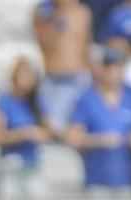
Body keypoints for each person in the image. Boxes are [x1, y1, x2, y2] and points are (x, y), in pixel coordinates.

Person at [65, 48, 131, 194]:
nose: (114, 73)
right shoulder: (86, 99)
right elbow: (73, 138)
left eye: (119, 67)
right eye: (109, 67)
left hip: (129, 181)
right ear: (101, 70)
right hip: (96, 181)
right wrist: (101, 140)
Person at [33, 0, 92, 134]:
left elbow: (86, 44)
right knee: (53, 128)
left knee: (78, 127)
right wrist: (54, 20)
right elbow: (42, 41)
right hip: (53, 77)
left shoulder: (83, 13)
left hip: (79, 76)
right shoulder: (44, 11)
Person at [0, 57, 50, 191]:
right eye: (23, 74)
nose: (27, 79)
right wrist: (23, 134)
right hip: (10, 164)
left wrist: (38, 134)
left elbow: (47, 133)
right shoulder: (4, 102)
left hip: (32, 165)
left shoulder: (37, 103)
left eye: (30, 75)